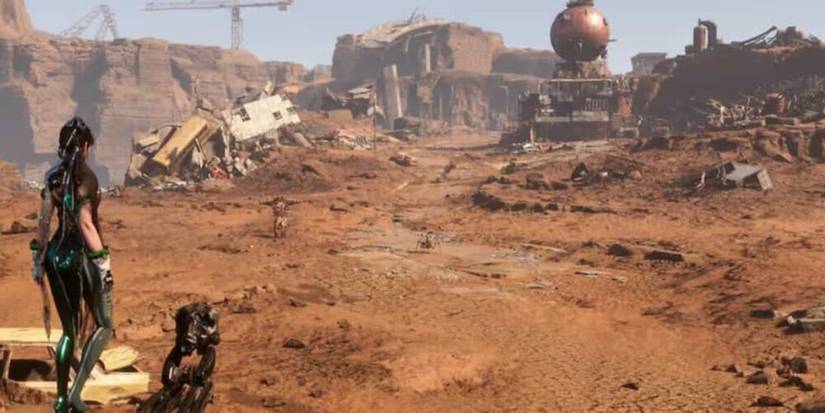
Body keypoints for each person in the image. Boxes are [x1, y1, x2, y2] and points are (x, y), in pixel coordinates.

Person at [30, 117, 114, 413]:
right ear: (86, 145)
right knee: (104, 323)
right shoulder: (86, 178)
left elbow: (42, 223)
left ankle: (61, 400)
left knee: (68, 331)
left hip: (54, 257)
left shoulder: (52, 176)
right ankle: (77, 393)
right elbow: (86, 225)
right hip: (80, 259)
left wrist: (37, 261)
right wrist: (104, 266)